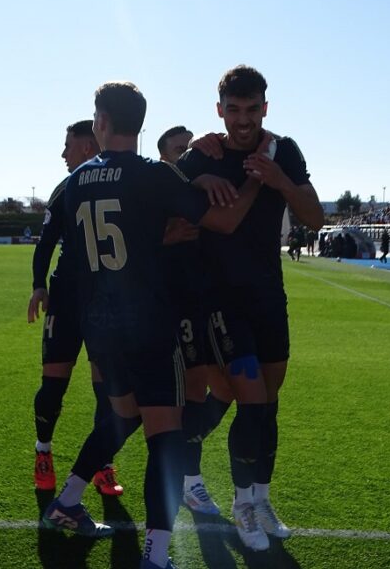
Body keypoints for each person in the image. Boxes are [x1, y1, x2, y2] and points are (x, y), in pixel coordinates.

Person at [41, 81, 263, 569]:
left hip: (100, 327)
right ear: (139, 124)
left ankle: (67, 502)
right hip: (146, 324)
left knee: (120, 417)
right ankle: (156, 555)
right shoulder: (153, 176)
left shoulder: (76, 181)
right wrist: (253, 181)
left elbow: (75, 257)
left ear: (101, 123)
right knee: (164, 438)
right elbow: (222, 223)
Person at [177, 65, 324, 551]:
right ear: (220, 110)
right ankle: (243, 504)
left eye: (252, 109)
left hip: (267, 295)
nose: (243, 120)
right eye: (233, 110)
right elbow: (163, 204)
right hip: (218, 301)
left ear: (266, 106)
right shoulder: (205, 154)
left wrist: (279, 178)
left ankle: (260, 498)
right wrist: (197, 183)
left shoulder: (285, 150)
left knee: (268, 404)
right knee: (252, 400)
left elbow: (314, 216)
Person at [27, 120, 124, 496]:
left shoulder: (120, 181)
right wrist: (38, 285)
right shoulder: (66, 188)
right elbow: (46, 241)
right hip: (67, 299)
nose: (63, 153)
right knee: (54, 385)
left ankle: (102, 465)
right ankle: (43, 451)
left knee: (108, 392)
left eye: (67, 145)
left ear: (87, 147)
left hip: (106, 303)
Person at [159, 125, 233, 516]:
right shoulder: (154, 191)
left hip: (210, 298)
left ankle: (182, 449)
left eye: (190, 148)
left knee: (226, 388)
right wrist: (163, 237)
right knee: (191, 389)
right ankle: (190, 480)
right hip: (176, 302)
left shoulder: (200, 191)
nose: (187, 154)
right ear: (164, 158)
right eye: (179, 150)